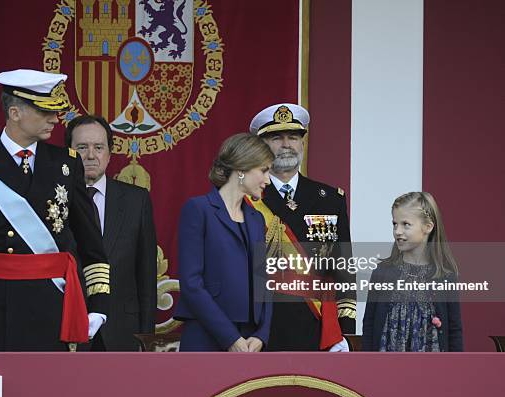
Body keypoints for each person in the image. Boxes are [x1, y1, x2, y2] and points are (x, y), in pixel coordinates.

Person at [0, 69, 110, 352]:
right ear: (15, 113)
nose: (54, 119)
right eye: (44, 112)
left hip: (53, 308)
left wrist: (98, 306)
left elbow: (92, 245)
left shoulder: (67, 164)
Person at [248, 103, 355, 351]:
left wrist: (344, 329)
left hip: (317, 326)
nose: (286, 144)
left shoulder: (330, 198)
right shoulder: (249, 198)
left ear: (303, 144)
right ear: (261, 147)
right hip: (262, 327)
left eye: (294, 137)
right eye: (276, 138)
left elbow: (344, 268)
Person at [174, 133, 274, 351]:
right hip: (206, 336)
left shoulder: (256, 219)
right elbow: (191, 285)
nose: (267, 180)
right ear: (242, 169)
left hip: (250, 341)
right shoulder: (198, 210)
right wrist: (230, 339)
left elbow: (263, 283)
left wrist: (261, 336)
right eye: (264, 171)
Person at [65, 115, 157, 351]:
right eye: (82, 147)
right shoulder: (53, 198)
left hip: (121, 332)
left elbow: (146, 276)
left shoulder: (137, 200)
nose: (91, 155)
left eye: (99, 147)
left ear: (109, 152)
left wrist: (146, 339)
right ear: (69, 152)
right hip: (66, 329)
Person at [362, 192, 463, 351]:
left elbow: (454, 329)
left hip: (431, 367)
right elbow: (368, 324)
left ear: (428, 227)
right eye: (395, 224)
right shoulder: (382, 273)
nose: (398, 231)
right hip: (386, 366)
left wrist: (456, 369)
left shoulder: (445, 276)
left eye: (406, 224)